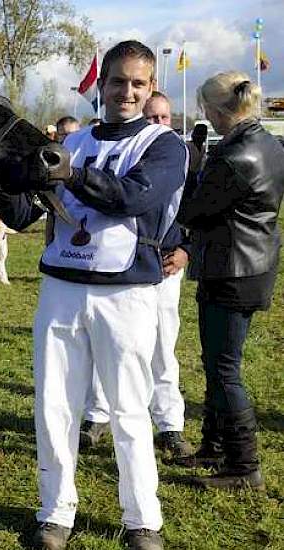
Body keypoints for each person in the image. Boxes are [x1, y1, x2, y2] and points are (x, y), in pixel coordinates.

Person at [0, 40, 188, 550]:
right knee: (53, 406)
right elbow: (22, 216)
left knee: (128, 409)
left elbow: (132, 197)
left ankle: (141, 519)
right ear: (100, 85)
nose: (126, 91)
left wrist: (68, 173)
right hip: (61, 288)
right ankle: (55, 512)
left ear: (150, 89)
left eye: (138, 83)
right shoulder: (73, 141)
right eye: (118, 81)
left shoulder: (164, 145)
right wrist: (1, 176)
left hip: (125, 294)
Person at [176, 71, 284, 490]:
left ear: (218, 110)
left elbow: (193, 211)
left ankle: (244, 465)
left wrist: (194, 167)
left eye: (205, 108)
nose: (204, 114)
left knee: (224, 368)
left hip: (232, 268)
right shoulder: (269, 144)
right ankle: (215, 445)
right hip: (253, 262)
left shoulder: (234, 155)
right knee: (219, 363)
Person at [79, 91, 193, 461]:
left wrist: (187, 249)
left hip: (165, 262)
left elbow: (196, 209)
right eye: (153, 117)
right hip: (123, 265)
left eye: (165, 118)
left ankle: (169, 422)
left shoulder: (180, 154)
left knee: (161, 345)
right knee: (106, 344)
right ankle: (96, 415)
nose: (160, 124)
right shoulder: (124, 152)